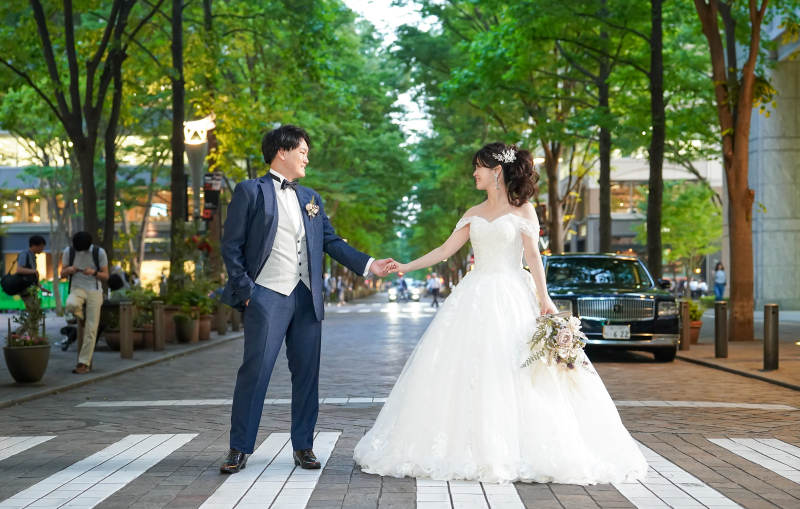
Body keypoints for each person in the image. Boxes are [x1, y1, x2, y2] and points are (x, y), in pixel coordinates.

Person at [354, 142, 647, 484]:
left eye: (478, 166)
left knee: (516, 369)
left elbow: (534, 258)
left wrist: (545, 298)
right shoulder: (473, 212)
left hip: (511, 294)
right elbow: (445, 250)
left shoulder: (524, 211)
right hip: (474, 294)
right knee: (466, 366)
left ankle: (518, 445)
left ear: (497, 171)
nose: (473, 173)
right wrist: (405, 265)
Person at [218, 124, 395, 473]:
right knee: (255, 372)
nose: (306, 159)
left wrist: (370, 264)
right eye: (302, 152)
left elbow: (331, 241)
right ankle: (239, 447)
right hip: (266, 295)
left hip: (307, 297)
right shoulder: (249, 191)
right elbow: (231, 247)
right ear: (281, 152)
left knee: (307, 375)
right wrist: (248, 293)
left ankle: (304, 446)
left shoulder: (310, 198)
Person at [61, 232, 109, 374]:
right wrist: (68, 270)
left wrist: (94, 273)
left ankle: (83, 363)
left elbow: (105, 275)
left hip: (94, 290)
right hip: (76, 289)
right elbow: (61, 274)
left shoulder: (99, 252)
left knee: (91, 329)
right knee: (70, 305)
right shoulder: (68, 251)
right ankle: (81, 316)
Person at [15, 235, 46, 317]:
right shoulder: (25, 255)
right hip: (25, 289)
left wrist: (42, 288)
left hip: (31, 288)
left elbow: (32, 278)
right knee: (35, 313)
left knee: (35, 313)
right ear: (33, 246)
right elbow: (19, 269)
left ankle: (23, 330)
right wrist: (34, 271)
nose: (42, 249)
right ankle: (20, 330)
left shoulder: (32, 256)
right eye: (41, 246)